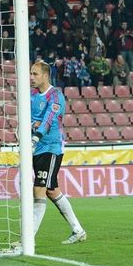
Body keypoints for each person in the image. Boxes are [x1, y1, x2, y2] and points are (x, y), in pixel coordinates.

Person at [30, 60, 86, 245]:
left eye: (35, 74)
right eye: (31, 74)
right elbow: (31, 120)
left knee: (39, 189)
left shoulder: (55, 96)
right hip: (37, 149)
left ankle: (27, 239)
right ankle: (78, 230)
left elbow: (48, 120)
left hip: (51, 147)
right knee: (52, 191)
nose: (31, 77)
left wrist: (36, 135)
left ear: (46, 76)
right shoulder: (31, 95)